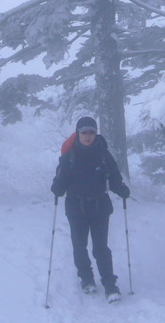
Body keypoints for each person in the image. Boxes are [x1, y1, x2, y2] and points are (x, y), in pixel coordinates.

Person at [51, 116, 131, 302]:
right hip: (76, 207)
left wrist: (121, 190)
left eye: (91, 132)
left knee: (101, 247)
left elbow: (114, 179)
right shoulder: (69, 157)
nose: (88, 136)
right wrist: (57, 187)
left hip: (99, 206)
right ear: (78, 134)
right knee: (80, 245)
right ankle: (86, 278)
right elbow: (61, 181)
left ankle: (109, 284)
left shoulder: (103, 155)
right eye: (84, 132)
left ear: (96, 133)